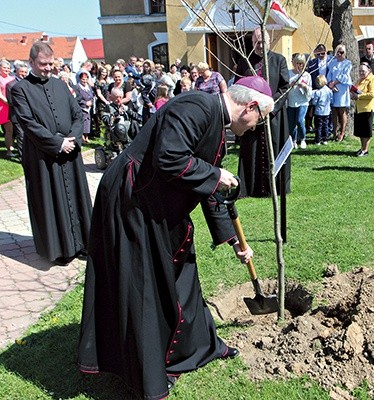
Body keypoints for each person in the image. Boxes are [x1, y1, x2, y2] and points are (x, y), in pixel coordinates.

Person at [77, 76, 272, 400]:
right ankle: (148, 376)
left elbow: (211, 191)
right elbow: (170, 158)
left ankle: (200, 347)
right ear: (250, 107)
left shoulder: (217, 126)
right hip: (131, 202)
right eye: (258, 121)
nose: (255, 128)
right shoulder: (196, 106)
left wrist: (231, 238)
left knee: (184, 271)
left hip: (155, 202)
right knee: (143, 286)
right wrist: (215, 175)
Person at [10, 42, 92, 265]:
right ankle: (60, 249)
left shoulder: (60, 85)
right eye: (43, 64)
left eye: (50, 64)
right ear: (31, 63)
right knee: (51, 199)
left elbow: (77, 113)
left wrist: (72, 139)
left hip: (70, 151)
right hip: (43, 154)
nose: (47, 68)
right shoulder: (20, 90)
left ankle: (83, 243)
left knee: (76, 196)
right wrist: (57, 143)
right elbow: (27, 123)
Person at [234, 27, 290, 197]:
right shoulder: (245, 61)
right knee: (251, 150)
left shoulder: (279, 60)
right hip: (251, 115)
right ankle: (252, 188)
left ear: (268, 41)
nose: (260, 45)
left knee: (274, 147)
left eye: (262, 41)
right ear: (252, 43)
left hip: (274, 116)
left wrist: (270, 108)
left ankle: (275, 187)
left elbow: (285, 88)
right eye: (256, 42)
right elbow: (237, 87)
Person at [327, 44, 353, 142]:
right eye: (338, 52)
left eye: (341, 52)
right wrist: (331, 84)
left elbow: (345, 76)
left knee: (341, 110)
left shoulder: (347, 63)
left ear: (344, 53)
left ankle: (342, 132)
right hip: (333, 88)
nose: (339, 54)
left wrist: (335, 83)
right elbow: (329, 74)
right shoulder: (332, 63)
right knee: (334, 110)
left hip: (342, 88)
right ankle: (334, 131)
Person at [352, 63, 374, 157]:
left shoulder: (373, 79)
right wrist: (353, 95)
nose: (361, 73)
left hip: (367, 108)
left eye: (363, 71)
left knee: (366, 131)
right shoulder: (359, 80)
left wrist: (359, 96)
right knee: (361, 131)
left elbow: (372, 94)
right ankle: (362, 148)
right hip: (359, 108)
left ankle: (365, 150)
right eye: (360, 71)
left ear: (369, 71)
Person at [0, 59, 16, 157]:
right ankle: (9, 150)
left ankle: (13, 146)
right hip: (4, 106)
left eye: (8, 68)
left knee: (15, 129)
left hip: (13, 105)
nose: (6, 69)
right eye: (4, 68)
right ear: (0, 68)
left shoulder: (12, 78)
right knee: (9, 130)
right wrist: (9, 103)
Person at [306, 44, 333, 133]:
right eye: (318, 54)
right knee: (312, 108)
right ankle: (310, 126)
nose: (321, 56)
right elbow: (309, 74)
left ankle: (328, 128)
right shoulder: (312, 62)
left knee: (328, 109)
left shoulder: (331, 60)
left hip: (327, 87)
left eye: (323, 53)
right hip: (315, 87)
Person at [287, 53, 312, 149]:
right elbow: (285, 86)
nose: (299, 66)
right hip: (291, 101)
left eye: (301, 64)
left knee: (300, 120)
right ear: (294, 63)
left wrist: (304, 86)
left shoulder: (306, 75)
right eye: (297, 63)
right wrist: (290, 85)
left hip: (302, 101)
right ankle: (293, 140)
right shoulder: (289, 73)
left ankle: (302, 139)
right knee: (291, 123)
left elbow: (310, 91)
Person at [6, 62, 29, 162]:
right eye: (22, 72)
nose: (24, 74)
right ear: (16, 72)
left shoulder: (29, 83)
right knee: (21, 136)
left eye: (25, 72)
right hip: (17, 114)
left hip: (29, 115)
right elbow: (11, 102)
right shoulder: (10, 85)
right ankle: (23, 157)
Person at [311, 74, 333, 145]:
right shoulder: (329, 91)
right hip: (327, 112)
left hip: (319, 112)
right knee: (325, 125)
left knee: (318, 126)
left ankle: (317, 140)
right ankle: (325, 139)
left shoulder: (318, 92)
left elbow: (314, 102)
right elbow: (331, 101)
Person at [75, 71, 94, 143]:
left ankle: (86, 137)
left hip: (88, 108)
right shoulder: (77, 87)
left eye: (86, 79)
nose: (85, 81)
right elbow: (77, 98)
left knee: (87, 122)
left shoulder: (88, 87)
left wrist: (91, 102)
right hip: (81, 108)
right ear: (80, 79)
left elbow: (92, 96)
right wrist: (85, 103)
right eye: (83, 79)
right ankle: (82, 137)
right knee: (82, 122)